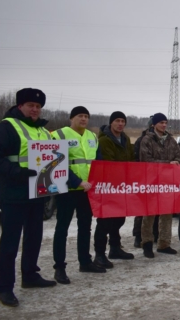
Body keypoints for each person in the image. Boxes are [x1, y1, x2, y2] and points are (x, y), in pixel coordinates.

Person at [0, 88, 57, 307]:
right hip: (14, 194)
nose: (34, 110)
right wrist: (17, 172)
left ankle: (30, 275)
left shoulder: (44, 131)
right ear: (19, 106)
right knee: (10, 243)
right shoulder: (7, 127)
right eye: (30, 106)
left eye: (38, 107)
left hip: (37, 194)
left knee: (34, 238)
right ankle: (5, 288)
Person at [51, 106, 106, 285]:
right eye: (80, 116)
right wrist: (76, 182)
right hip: (67, 189)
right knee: (62, 229)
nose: (83, 119)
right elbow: (56, 163)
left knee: (85, 227)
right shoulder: (59, 135)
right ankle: (60, 268)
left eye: (86, 116)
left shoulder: (92, 136)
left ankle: (85, 262)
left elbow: (98, 162)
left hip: (87, 190)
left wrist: (96, 181)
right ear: (71, 118)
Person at [93, 111, 135, 269]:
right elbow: (109, 162)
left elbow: (130, 158)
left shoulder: (126, 138)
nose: (120, 123)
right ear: (111, 122)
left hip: (122, 185)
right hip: (108, 185)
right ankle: (99, 253)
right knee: (105, 221)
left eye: (123, 121)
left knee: (119, 218)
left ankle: (115, 248)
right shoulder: (104, 140)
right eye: (117, 120)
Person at [139, 113, 180, 258]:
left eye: (165, 122)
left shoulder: (171, 140)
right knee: (149, 214)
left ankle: (164, 243)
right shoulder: (147, 139)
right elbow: (146, 160)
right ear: (154, 124)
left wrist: (175, 162)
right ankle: (146, 243)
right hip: (151, 182)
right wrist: (167, 164)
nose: (164, 125)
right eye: (161, 122)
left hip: (167, 182)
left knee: (166, 214)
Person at [132, 116, 157, 248]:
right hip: (144, 178)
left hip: (159, 179)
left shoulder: (164, 140)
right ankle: (138, 236)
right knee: (142, 209)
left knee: (156, 208)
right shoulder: (142, 140)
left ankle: (154, 234)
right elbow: (137, 159)